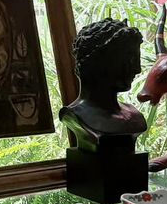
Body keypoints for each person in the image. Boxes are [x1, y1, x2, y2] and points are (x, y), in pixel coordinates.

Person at [59, 18, 147, 151]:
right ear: (98, 62)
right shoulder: (75, 115)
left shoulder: (135, 117)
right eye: (128, 60)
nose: (137, 69)